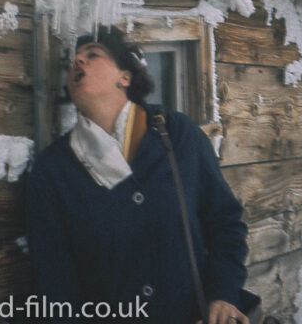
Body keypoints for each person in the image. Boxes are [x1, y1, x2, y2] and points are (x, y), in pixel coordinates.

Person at [25, 26, 250, 324]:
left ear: (125, 77)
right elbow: (54, 276)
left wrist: (223, 293)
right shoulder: (53, 168)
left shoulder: (178, 134)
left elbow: (225, 223)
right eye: (71, 62)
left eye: (92, 55)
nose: (77, 62)